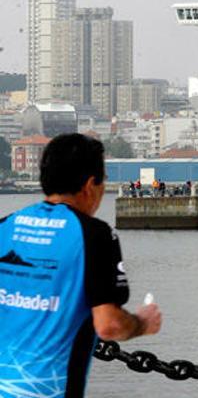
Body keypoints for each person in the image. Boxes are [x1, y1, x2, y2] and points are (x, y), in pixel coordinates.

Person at [0, 133, 162, 397]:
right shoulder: (94, 235)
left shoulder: (5, 226)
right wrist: (143, 323)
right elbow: (109, 325)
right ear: (90, 185)